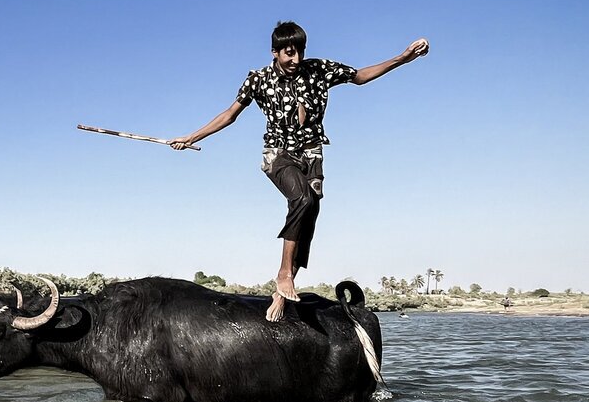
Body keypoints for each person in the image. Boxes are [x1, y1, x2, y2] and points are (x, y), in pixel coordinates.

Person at [171, 21, 429, 321]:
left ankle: (281, 294)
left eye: (300, 53)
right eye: (289, 54)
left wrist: (402, 58)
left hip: (312, 156)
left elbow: (359, 76)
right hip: (278, 155)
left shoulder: (318, 70)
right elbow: (230, 115)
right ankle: (284, 275)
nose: (295, 60)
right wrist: (191, 137)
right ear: (275, 52)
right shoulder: (258, 80)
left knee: (309, 220)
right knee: (302, 200)